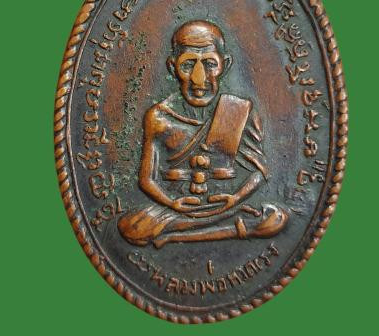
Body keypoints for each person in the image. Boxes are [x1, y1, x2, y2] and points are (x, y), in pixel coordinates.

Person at [118, 20, 288, 248]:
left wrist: (235, 198)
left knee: (276, 217)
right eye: (188, 65)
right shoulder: (158, 117)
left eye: (210, 64)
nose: (200, 78)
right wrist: (172, 203)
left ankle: (179, 234)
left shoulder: (238, 110)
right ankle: (231, 229)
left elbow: (259, 171)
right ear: (172, 67)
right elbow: (146, 180)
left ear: (225, 65)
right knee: (132, 227)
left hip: (227, 205)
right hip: (177, 209)